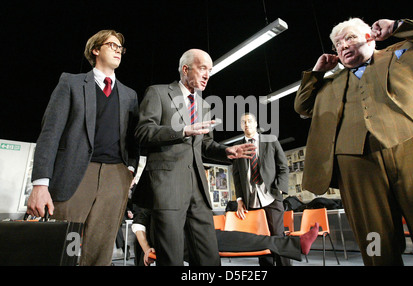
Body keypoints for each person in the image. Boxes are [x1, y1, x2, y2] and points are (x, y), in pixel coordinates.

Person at [294, 18, 413, 265]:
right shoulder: (330, 84)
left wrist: (398, 27)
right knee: (375, 240)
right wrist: (317, 72)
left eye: (350, 38)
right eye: (337, 44)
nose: (343, 46)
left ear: (370, 37)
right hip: (355, 164)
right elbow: (302, 106)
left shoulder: (403, 53)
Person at [27, 30, 140, 266]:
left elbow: (133, 140)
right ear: (95, 50)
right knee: (60, 248)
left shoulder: (130, 95)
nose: (118, 50)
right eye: (112, 45)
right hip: (74, 173)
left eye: (121, 47)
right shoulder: (71, 83)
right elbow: (50, 133)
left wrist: (129, 169)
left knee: (100, 252)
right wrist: (40, 183)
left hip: (115, 177)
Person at [134, 48, 256, 266]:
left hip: (198, 189)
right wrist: (182, 130)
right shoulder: (158, 93)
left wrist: (225, 151)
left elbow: (205, 145)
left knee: (209, 257)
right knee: (171, 258)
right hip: (167, 188)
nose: (207, 74)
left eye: (209, 70)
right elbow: (143, 132)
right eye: (202, 68)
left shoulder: (204, 106)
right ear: (185, 69)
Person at [131, 207, 319, 266]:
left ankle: (295, 243)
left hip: (189, 233)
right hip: (166, 239)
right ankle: (293, 244)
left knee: (228, 237)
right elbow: (138, 225)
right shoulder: (148, 189)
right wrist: (147, 248)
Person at [232, 112, 290, 266]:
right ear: (240, 126)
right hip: (251, 199)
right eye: (243, 122)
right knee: (260, 238)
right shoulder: (237, 148)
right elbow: (237, 177)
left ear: (256, 123)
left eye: (249, 121)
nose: (246, 124)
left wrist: (280, 189)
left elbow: (283, 166)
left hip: (271, 196)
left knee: (277, 236)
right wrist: (239, 200)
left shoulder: (270, 140)